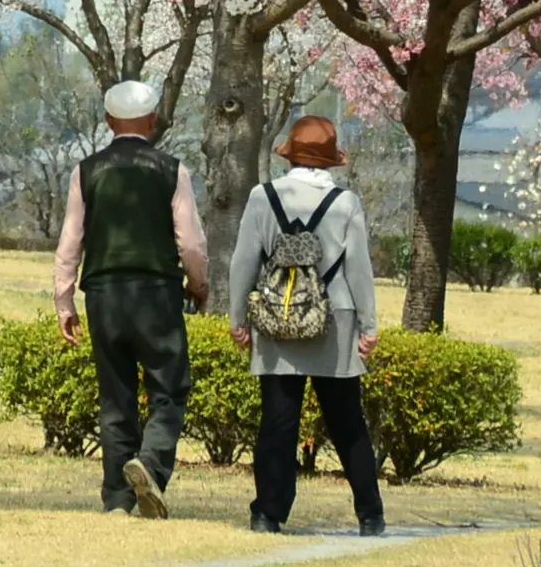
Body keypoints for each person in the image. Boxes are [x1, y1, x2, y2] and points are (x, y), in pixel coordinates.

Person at [52, 79, 209, 518]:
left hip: (103, 294)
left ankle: (118, 499)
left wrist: (64, 302)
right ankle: (151, 464)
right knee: (169, 388)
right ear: (153, 118)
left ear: (107, 121)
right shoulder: (172, 169)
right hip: (156, 292)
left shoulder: (85, 171)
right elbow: (191, 244)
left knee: (115, 396)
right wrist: (199, 283)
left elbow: (70, 242)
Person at [223, 114, 385, 537]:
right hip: (336, 317)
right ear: (330, 161)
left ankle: (268, 513)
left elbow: (243, 262)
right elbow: (359, 270)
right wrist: (368, 326)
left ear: (290, 156)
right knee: (347, 421)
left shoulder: (263, 196)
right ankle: (369, 512)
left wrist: (238, 318)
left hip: (278, 317)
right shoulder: (345, 203)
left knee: (278, 421)